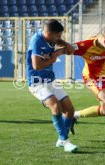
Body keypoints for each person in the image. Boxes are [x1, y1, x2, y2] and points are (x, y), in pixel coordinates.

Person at [26, 19, 77, 152]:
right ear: (49, 33)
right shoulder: (37, 41)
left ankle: (61, 139)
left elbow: (58, 43)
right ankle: (65, 141)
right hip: (37, 83)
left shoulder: (50, 38)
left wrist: (65, 45)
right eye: (58, 35)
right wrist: (53, 59)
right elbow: (36, 66)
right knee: (55, 106)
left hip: (50, 81)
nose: (59, 38)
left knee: (70, 110)